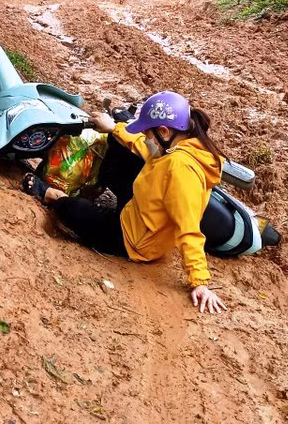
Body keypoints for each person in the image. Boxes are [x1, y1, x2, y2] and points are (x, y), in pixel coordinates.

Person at [21, 91, 228, 314]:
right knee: (118, 145)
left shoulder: (181, 169)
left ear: (164, 131)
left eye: (148, 133)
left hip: (134, 240)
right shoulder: (181, 146)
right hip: (142, 207)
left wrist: (199, 282)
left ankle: (52, 195)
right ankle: (97, 188)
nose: (146, 138)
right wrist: (114, 128)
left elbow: (189, 228)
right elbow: (145, 148)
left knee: (74, 210)